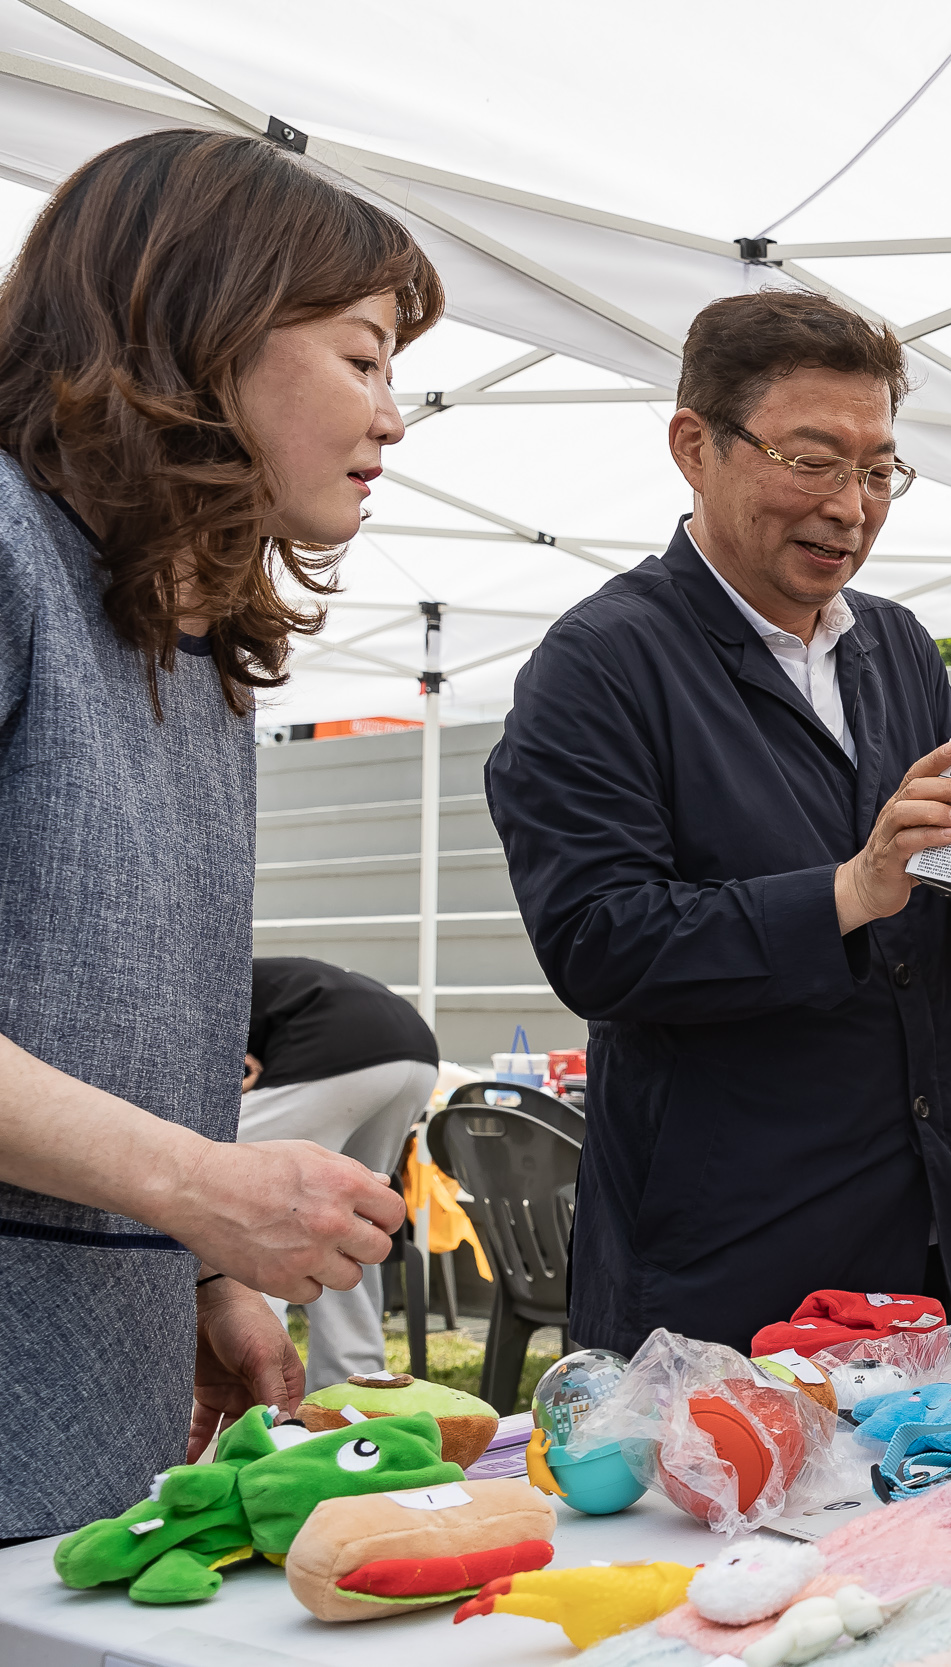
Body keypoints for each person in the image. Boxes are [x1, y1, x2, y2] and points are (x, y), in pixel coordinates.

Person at [0, 130, 432, 1539]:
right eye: (363, 356)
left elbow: (100, 1021)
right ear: (208, 332)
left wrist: (198, 1271)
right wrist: (205, 1187)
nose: (394, 415)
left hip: (84, 1422)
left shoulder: (198, 652)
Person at [487, 290, 951, 1358]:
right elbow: (600, 940)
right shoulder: (602, 662)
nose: (851, 505)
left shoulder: (895, 644)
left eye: (879, 470)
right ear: (694, 447)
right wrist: (848, 891)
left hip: (931, 1231)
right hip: (732, 1265)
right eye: (811, 459)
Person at [241, 957, 441, 1388]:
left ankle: (254, 1387)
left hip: (330, 1046)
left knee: (249, 1205)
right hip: (416, 1051)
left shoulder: (182, 986)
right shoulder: (262, 973)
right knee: (352, 1222)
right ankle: (355, 1385)